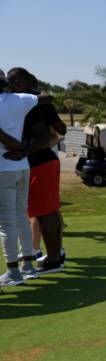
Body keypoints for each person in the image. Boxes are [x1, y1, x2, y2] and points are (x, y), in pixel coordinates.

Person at [7, 68, 66, 275]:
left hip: (39, 162)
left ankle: (53, 258)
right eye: (9, 81)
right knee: (49, 210)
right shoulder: (40, 101)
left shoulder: (28, 105)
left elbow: (42, 138)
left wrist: (21, 152)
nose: (10, 84)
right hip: (47, 161)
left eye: (14, 80)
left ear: (25, 80)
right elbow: (61, 129)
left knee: (43, 212)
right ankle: (56, 254)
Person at [0, 69, 52, 286]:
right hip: (21, 164)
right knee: (21, 216)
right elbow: (48, 96)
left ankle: (13, 271)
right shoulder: (21, 100)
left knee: (6, 223)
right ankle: (28, 265)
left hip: (3, 166)